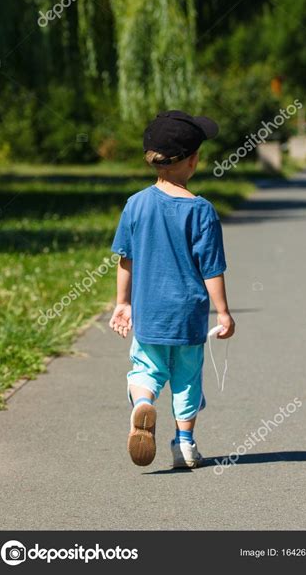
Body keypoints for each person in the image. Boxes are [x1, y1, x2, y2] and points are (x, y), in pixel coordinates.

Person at [109, 110, 235, 468]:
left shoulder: (135, 204)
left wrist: (122, 303)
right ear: (193, 160)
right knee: (186, 379)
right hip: (189, 317)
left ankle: (144, 402)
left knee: (145, 370)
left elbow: (125, 258)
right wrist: (223, 312)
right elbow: (212, 269)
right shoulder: (202, 211)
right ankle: (184, 445)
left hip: (149, 312)